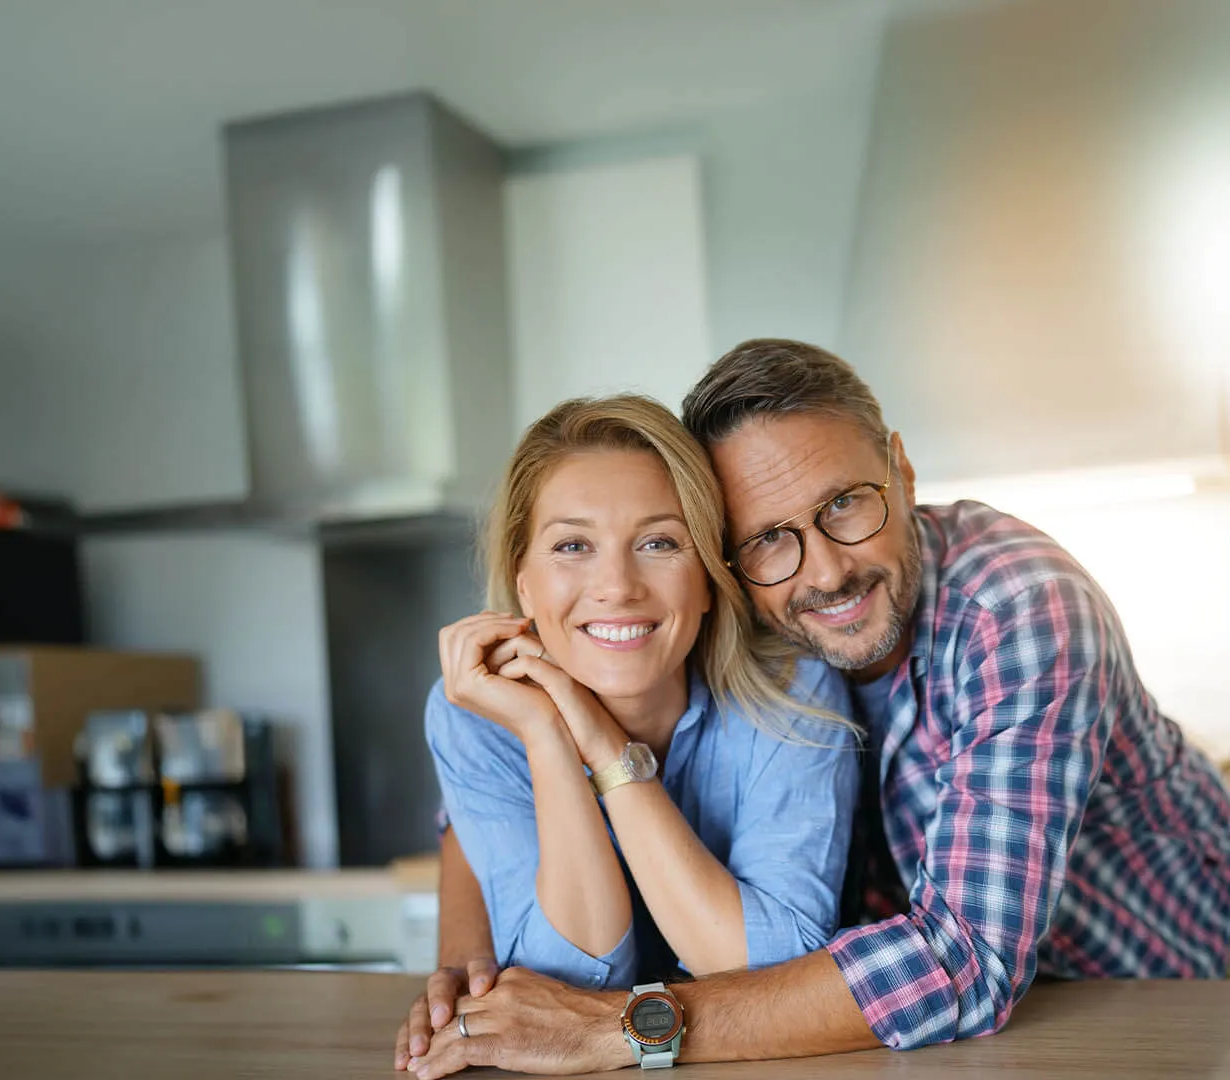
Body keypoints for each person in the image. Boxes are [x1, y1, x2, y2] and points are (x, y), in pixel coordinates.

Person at [403, 340, 1230, 1078]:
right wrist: (468, 967)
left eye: (845, 503)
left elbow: (965, 963)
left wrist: (622, 1027)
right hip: (915, 1037)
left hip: (1167, 1004)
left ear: (902, 471)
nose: (826, 570)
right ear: (728, 558)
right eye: (768, 536)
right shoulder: (756, 623)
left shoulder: (1015, 606)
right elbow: (481, 800)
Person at [394, 394, 860, 1073]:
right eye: (573, 546)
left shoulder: (791, 690)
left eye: (659, 543)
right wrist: (547, 734)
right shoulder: (474, 712)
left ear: (708, 578)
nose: (616, 586)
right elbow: (561, 978)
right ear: (525, 585)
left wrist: (604, 746)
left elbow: (771, 968)